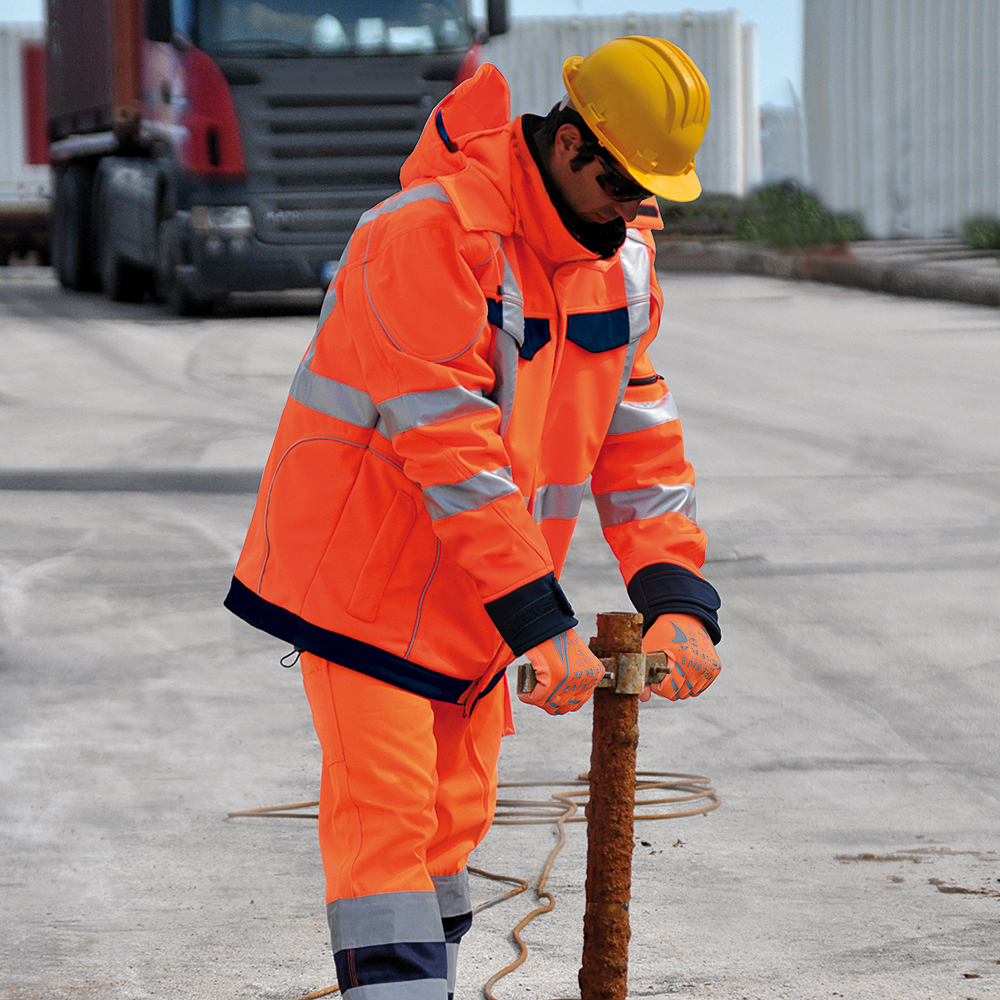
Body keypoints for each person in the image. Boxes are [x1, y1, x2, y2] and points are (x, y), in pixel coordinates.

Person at [224, 35, 722, 1000]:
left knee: (454, 822)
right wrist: (541, 619)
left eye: (649, 191)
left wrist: (677, 592)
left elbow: (640, 443)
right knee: (390, 824)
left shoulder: (622, 266)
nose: (636, 210)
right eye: (624, 183)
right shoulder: (427, 235)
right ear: (571, 142)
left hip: (477, 599)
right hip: (363, 588)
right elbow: (451, 452)